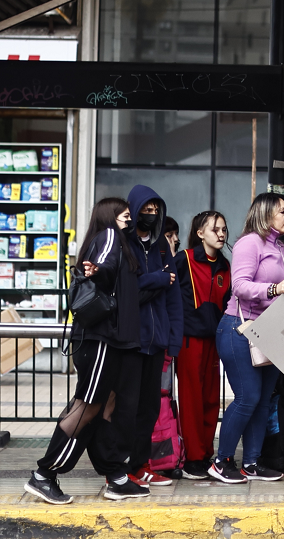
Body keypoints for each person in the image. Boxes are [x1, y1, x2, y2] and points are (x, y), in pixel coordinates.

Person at [25, 198, 146, 503]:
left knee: (103, 408)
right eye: (125, 216)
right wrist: (97, 270)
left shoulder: (120, 240)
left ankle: (116, 476)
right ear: (110, 217)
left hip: (109, 340)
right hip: (100, 339)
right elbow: (103, 267)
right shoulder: (108, 236)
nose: (130, 221)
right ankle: (44, 474)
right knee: (88, 407)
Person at [210, 193, 284, 484]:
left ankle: (251, 463)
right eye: (282, 211)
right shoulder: (249, 243)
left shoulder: (279, 246)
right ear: (266, 213)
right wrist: (274, 289)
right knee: (248, 398)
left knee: (262, 401)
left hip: (269, 330)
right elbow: (240, 287)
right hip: (239, 328)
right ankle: (221, 462)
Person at [124, 185, 184, 487]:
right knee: (128, 407)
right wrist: (159, 278)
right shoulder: (124, 244)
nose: (150, 215)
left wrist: (174, 340)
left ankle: (142, 464)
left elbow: (173, 297)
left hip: (157, 341)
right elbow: (128, 289)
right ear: (134, 211)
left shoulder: (161, 245)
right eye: (145, 210)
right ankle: (125, 466)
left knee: (149, 407)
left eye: (154, 210)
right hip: (131, 342)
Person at [174, 211, 230, 480]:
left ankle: (205, 454)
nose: (221, 234)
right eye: (215, 229)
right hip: (189, 339)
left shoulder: (225, 266)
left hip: (214, 339)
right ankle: (193, 458)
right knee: (191, 399)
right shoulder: (183, 259)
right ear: (200, 233)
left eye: (223, 229)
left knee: (210, 399)